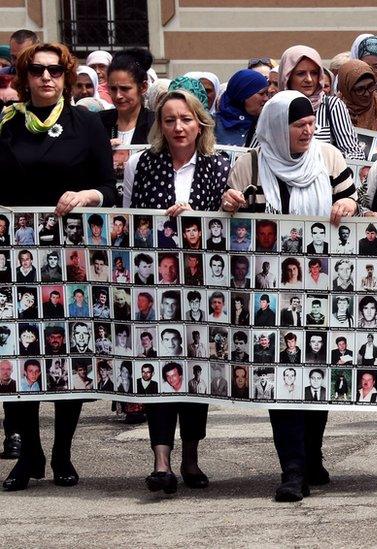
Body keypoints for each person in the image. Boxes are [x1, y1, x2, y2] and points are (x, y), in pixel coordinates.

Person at [222, 90, 357, 503]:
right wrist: (229, 204)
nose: (306, 130)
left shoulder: (328, 158)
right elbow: (232, 216)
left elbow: (352, 198)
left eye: (309, 123)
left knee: (315, 372)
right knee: (281, 378)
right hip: (271, 293)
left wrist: (349, 204)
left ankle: (312, 455)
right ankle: (292, 469)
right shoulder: (250, 164)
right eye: (297, 125)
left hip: (321, 286)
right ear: (278, 127)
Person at [0, 41, 115, 491]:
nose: (46, 78)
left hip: (72, 259)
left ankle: (64, 452)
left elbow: (108, 185)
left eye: (54, 71)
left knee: (69, 352)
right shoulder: (6, 125)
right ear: (24, 79)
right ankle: (29, 453)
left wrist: (87, 196)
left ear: (67, 78)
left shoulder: (85, 123)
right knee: (17, 353)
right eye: (37, 70)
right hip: (15, 259)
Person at [122, 89, 230, 214]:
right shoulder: (139, 163)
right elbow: (128, 218)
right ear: (161, 127)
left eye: (186, 119)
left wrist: (194, 217)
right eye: (169, 121)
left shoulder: (219, 166)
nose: (178, 128)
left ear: (200, 125)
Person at [279, 45, 363, 159]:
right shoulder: (275, 108)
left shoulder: (332, 106)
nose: (309, 79)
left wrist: (324, 165)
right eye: (301, 73)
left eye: (314, 73)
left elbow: (354, 153)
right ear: (287, 76)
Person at [99, 49, 155, 177]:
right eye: (113, 89)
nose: (118, 96)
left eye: (125, 89)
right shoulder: (98, 121)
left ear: (143, 87)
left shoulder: (157, 123)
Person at [336, 59, 377, 135]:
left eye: (370, 86)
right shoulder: (334, 110)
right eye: (360, 89)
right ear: (346, 90)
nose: (367, 94)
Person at [215, 69, 269, 146]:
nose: (266, 99)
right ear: (243, 95)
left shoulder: (267, 126)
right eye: (261, 94)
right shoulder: (212, 126)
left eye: (267, 93)